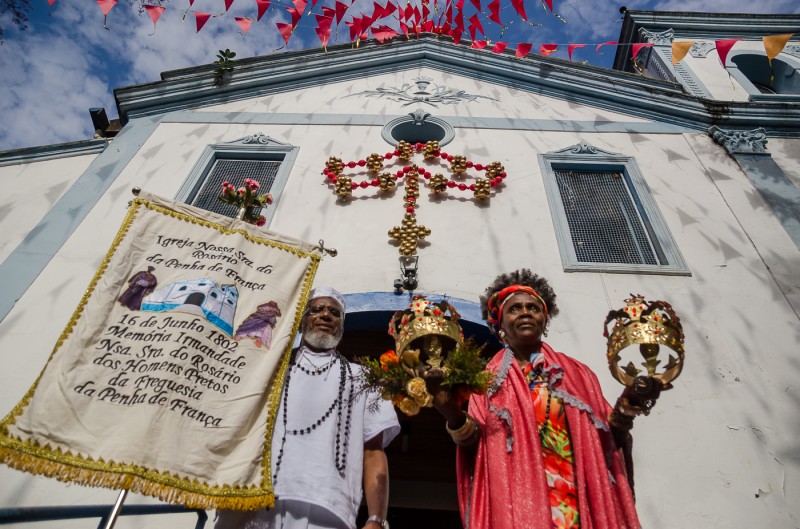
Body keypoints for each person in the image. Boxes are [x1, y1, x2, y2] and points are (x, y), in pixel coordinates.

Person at [425, 269, 656, 529]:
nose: (525, 312)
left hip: (573, 500)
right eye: (514, 309)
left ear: (545, 321)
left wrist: (629, 404)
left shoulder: (579, 374)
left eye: (533, 307)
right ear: (499, 326)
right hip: (518, 500)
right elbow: (475, 445)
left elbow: (608, 439)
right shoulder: (486, 381)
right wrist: (449, 411)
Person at [216, 287, 400, 529]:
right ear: (302, 323)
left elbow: (374, 451)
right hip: (253, 501)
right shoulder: (269, 369)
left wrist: (376, 518)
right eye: (317, 310)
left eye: (334, 313)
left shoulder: (362, 378)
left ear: (341, 327)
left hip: (327, 509)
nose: (326, 315)